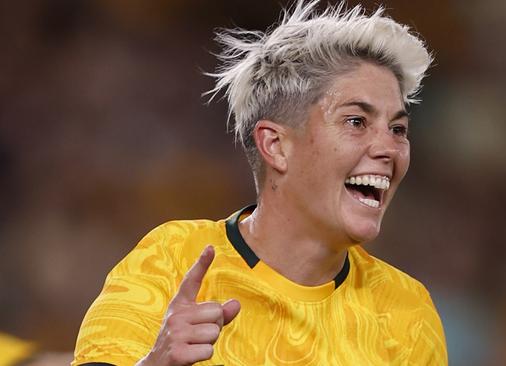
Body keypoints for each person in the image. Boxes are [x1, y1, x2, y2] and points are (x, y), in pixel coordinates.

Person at [72, 1, 447, 365]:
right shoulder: (170, 260)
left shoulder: (407, 313)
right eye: (356, 122)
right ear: (275, 144)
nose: (389, 148)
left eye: (398, 129)